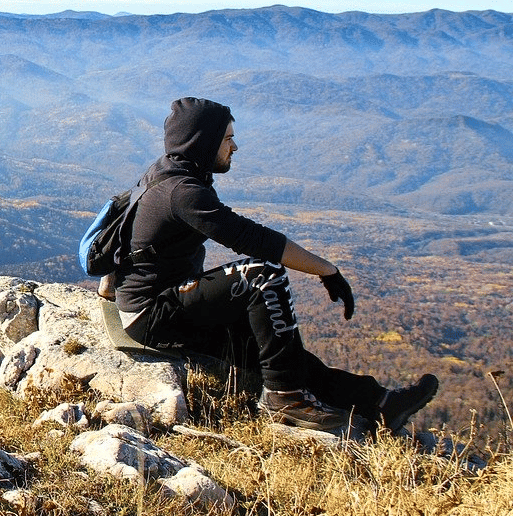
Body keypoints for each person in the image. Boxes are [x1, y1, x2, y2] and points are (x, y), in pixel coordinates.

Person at [107, 96, 438, 432]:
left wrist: (114, 288)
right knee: (263, 275)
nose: (234, 146)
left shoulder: (168, 171)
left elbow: (122, 225)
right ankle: (286, 399)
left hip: (166, 304)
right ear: (203, 142)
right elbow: (256, 240)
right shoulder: (184, 191)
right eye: (227, 139)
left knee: (276, 350)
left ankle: (379, 404)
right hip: (154, 316)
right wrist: (327, 269)